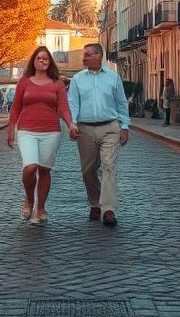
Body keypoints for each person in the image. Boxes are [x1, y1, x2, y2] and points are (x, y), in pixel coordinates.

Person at [7, 46, 78, 225]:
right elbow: (16, 107)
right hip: (26, 131)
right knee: (30, 167)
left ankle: (40, 208)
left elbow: (63, 107)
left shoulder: (57, 84)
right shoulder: (24, 82)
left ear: (50, 62)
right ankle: (29, 199)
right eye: (39, 58)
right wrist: (11, 130)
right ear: (34, 61)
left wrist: (71, 124)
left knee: (45, 170)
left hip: (51, 132)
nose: (42, 61)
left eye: (46, 58)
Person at [67, 43, 130, 227]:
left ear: (98, 56)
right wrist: (72, 124)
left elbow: (121, 103)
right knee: (88, 170)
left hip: (110, 127)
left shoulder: (113, 77)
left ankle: (108, 209)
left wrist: (124, 126)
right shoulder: (77, 79)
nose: (83, 58)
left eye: (87, 55)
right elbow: (73, 104)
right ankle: (95, 202)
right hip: (85, 129)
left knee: (109, 166)